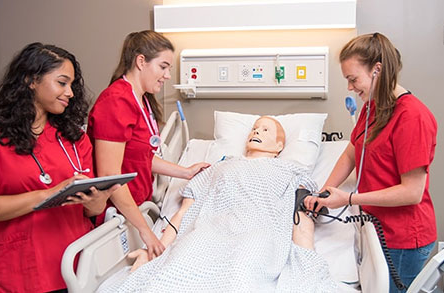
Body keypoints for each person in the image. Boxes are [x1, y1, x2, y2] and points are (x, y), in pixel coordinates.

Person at [97, 116, 336, 292]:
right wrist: (157, 249)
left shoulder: (289, 171)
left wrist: (307, 255)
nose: (256, 131)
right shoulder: (219, 166)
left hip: (258, 232)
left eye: (265, 129)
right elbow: (184, 212)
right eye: (254, 128)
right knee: (176, 268)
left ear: (279, 147)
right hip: (211, 230)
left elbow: (301, 216)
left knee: (241, 271)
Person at [0, 43, 118, 292]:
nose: (71, 93)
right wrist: (46, 195)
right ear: (31, 80)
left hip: (78, 265)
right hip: (25, 269)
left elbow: (93, 210)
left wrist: (96, 201)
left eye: (72, 85)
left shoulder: (74, 138)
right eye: (62, 83)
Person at [305, 32, 437, 292]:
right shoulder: (371, 108)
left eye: (353, 79)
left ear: (377, 70)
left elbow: (412, 192)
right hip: (377, 228)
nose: (350, 88)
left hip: (404, 238)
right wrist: (323, 192)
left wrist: (348, 199)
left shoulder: (413, 118)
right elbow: (352, 153)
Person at [87, 30, 209, 259]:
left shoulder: (141, 100)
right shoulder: (116, 102)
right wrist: (145, 229)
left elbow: (139, 155)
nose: (167, 75)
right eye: (163, 67)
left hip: (134, 208)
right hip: (113, 214)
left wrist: (185, 172)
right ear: (141, 61)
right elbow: (110, 175)